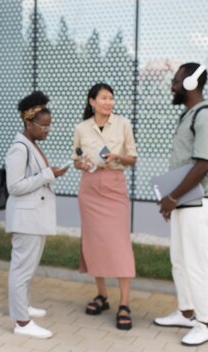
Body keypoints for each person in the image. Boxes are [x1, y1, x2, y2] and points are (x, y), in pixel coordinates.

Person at [153, 63, 208, 346]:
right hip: (186, 198)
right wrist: (172, 200)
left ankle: (204, 323)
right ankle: (187, 312)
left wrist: (171, 198)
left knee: (198, 262)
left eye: (176, 80)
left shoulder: (205, 116)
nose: (172, 85)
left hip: (201, 198)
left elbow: (203, 163)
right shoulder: (189, 115)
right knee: (180, 259)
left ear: (191, 83)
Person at [72, 83, 137, 330]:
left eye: (111, 98)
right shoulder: (81, 128)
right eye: (104, 98)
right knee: (94, 243)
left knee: (120, 245)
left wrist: (118, 157)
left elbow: (133, 157)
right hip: (89, 189)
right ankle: (102, 296)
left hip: (114, 187)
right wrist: (83, 163)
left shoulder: (123, 124)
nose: (109, 102)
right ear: (92, 102)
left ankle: (125, 303)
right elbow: (75, 159)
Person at [5, 91, 68, 339]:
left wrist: (50, 173)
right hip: (26, 219)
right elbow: (15, 186)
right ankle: (21, 322)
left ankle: (24, 306)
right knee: (21, 270)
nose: (47, 131)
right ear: (28, 123)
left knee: (27, 269)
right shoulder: (19, 148)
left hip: (34, 218)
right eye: (43, 126)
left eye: (49, 126)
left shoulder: (31, 144)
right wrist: (48, 174)